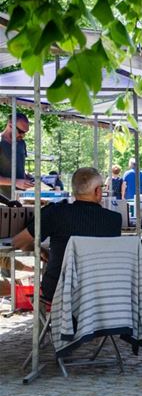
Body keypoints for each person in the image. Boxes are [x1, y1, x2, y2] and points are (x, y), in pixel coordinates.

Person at [11, 167, 122, 302]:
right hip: (100, 292)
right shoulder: (114, 220)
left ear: (74, 191)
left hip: (59, 290)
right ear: (98, 191)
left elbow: (18, 242)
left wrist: (40, 250)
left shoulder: (54, 213)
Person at [0, 113, 34, 199]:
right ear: (10, 125)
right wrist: (15, 182)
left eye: (25, 132)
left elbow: (19, 168)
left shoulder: (21, 143)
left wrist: (28, 178)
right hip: (3, 201)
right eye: (21, 131)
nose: (23, 135)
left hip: (20, 198)